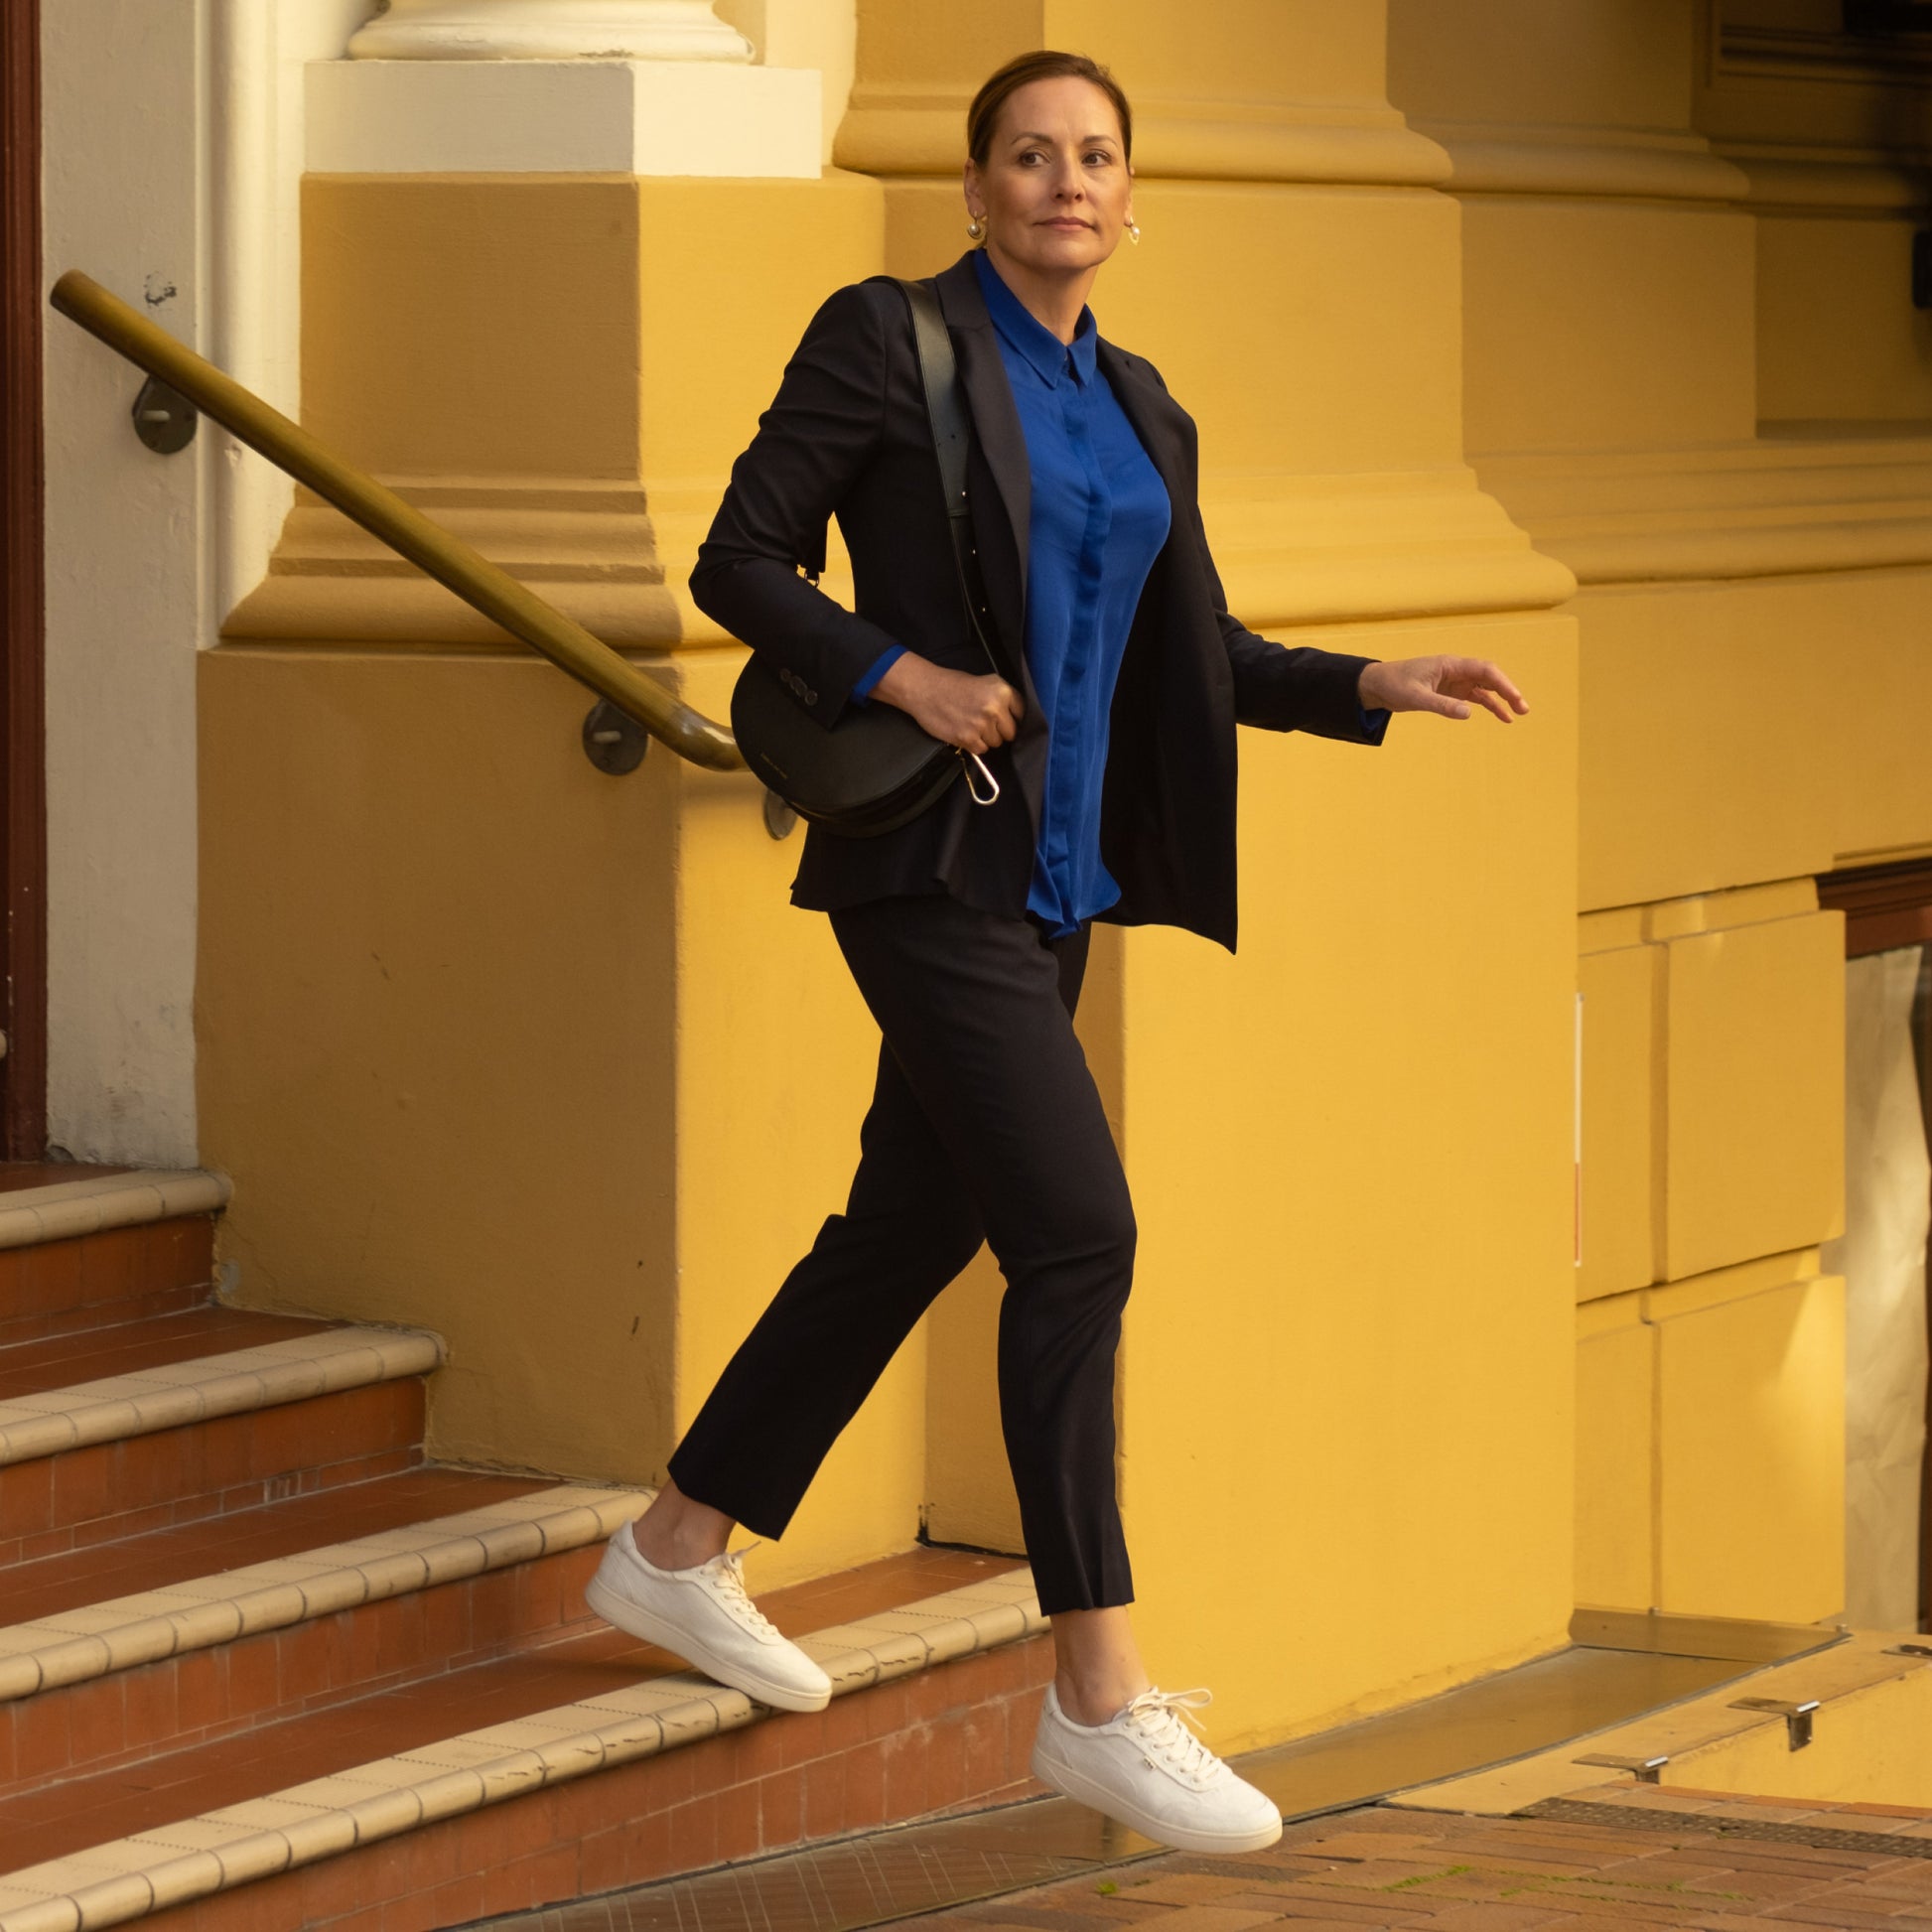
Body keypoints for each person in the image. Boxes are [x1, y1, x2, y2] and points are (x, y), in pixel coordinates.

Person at [586, 48, 1528, 1855]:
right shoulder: (889, 339)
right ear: (973, 188)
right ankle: (1095, 1692)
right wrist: (900, 670)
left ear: (1128, 197)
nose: (1063, 182)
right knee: (1079, 1233)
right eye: (1028, 156)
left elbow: (1196, 648)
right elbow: (739, 559)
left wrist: (1367, 684)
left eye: (1093, 156)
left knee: (907, 1228)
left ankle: (674, 1545)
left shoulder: (1141, 403)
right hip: (926, 872)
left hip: (1056, 892)